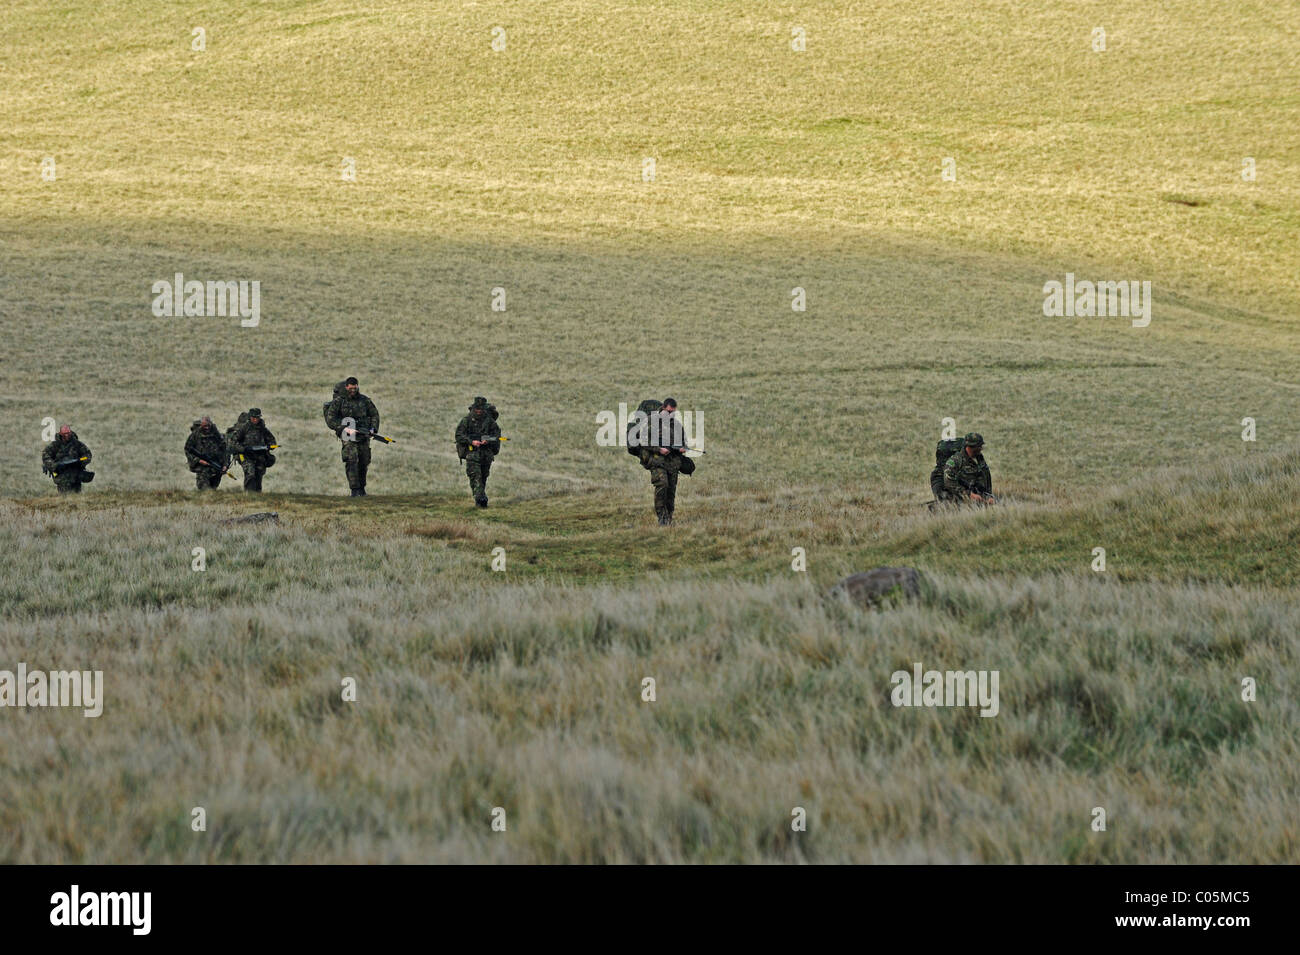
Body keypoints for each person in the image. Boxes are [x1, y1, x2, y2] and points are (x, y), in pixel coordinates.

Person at [636, 397, 695, 525]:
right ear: (663, 408)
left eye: (673, 412)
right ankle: (662, 517)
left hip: (673, 464)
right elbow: (643, 441)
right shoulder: (651, 422)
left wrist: (682, 449)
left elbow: (684, 442)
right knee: (662, 485)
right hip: (657, 461)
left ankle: (669, 517)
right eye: (668, 411)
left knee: (671, 491)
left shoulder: (677, 425)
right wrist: (658, 449)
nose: (670, 414)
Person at [324, 377, 380, 496]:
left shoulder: (365, 400)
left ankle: (362, 488)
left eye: (355, 388)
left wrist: (373, 429)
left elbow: (374, 414)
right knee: (351, 460)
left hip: (363, 435)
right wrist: (344, 428)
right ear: (346, 387)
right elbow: (331, 419)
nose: (353, 390)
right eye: (351, 388)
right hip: (348, 435)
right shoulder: (339, 401)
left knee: (364, 461)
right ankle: (354, 490)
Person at [455, 396, 502, 508]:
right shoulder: (466, 420)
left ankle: (479, 499)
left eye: (481, 409)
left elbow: (497, 436)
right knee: (475, 477)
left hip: (486, 455)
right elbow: (459, 435)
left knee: (483, 477)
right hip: (472, 454)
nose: (479, 411)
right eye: (477, 409)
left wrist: (487, 440)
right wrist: (471, 441)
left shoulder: (490, 422)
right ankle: (481, 499)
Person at [230, 408, 277, 492]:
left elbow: (272, 440)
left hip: (260, 456)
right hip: (246, 456)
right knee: (250, 474)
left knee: (259, 475)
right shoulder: (244, 428)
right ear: (250, 417)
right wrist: (242, 449)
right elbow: (233, 441)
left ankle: (257, 497)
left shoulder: (262, 429)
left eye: (257, 417)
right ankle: (249, 495)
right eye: (253, 417)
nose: (255, 419)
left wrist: (270, 446)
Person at [941, 432, 995, 505]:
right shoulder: (955, 461)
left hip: (980, 499)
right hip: (959, 500)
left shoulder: (980, 459)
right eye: (979, 446)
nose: (981, 448)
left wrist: (989, 495)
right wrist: (968, 494)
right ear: (970, 447)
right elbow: (949, 482)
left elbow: (987, 477)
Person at [41, 425, 93, 494]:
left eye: (68, 433)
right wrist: (55, 465)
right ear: (61, 434)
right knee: (64, 500)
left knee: (77, 499)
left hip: (76, 476)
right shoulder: (55, 445)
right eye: (65, 434)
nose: (67, 435)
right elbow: (45, 456)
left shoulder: (77, 444)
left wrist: (80, 461)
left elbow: (87, 455)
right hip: (61, 477)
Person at [185, 416, 230, 490]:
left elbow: (225, 451)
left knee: (213, 489)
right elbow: (188, 449)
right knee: (204, 489)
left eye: (208, 425)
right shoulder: (195, 435)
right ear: (201, 425)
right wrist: (198, 460)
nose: (207, 428)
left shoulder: (217, 435)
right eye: (204, 426)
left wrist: (225, 465)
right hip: (202, 468)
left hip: (216, 467)